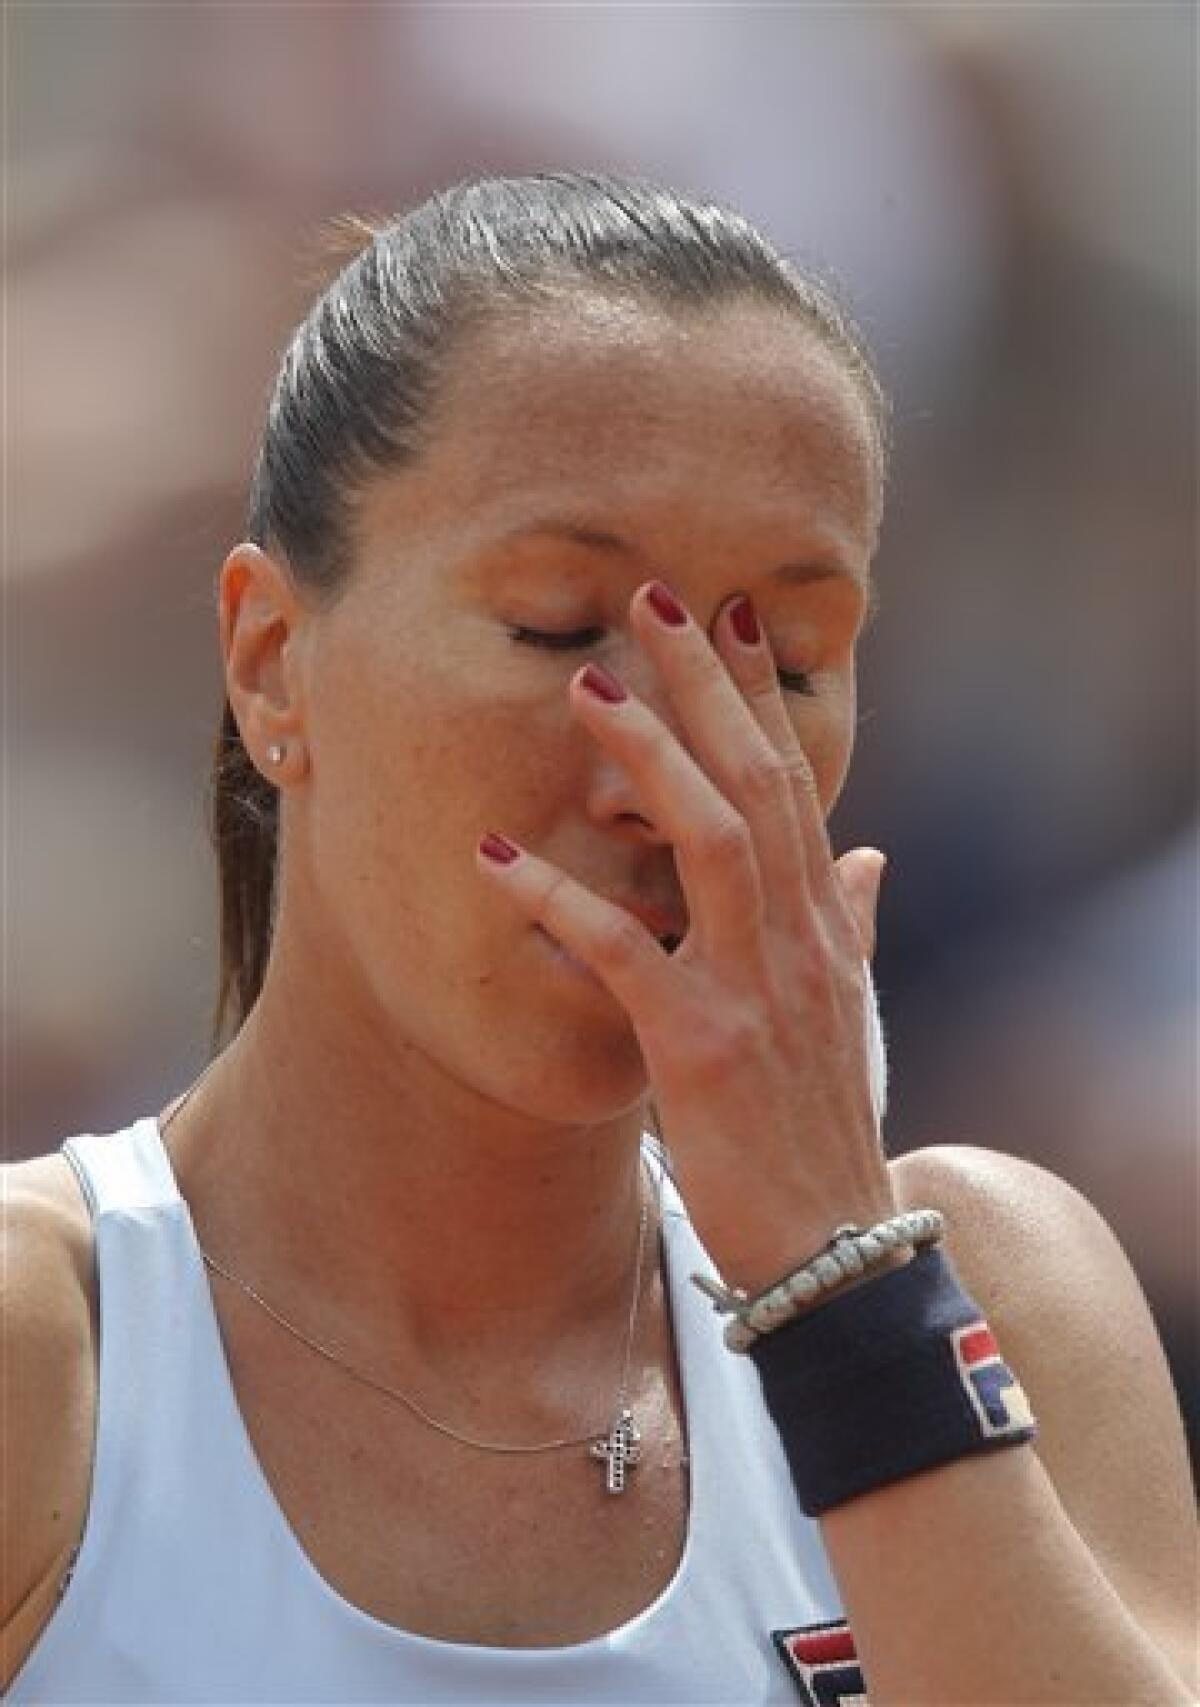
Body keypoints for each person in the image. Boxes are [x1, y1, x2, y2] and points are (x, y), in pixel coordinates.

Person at [3, 173, 1195, 1704]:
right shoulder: (50, 1355)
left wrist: (844, 1297)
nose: (676, 769)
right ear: (272, 661)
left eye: (791, 657)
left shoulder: (997, 1305)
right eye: (562, 629)